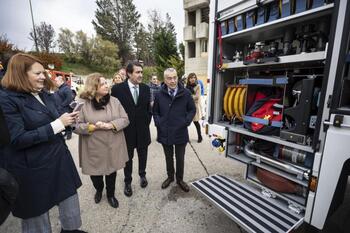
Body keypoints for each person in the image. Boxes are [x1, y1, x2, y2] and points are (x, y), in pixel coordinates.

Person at [0, 53, 85, 233]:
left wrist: (68, 121)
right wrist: (58, 124)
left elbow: (55, 118)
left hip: (59, 160)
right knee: (37, 219)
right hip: (32, 170)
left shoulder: (45, 94)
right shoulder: (6, 99)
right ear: (20, 74)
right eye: (37, 73)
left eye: (43, 72)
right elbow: (17, 139)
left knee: (70, 205)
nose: (43, 77)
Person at [74, 73, 129, 208]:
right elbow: (74, 125)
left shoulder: (115, 101)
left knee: (111, 172)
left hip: (112, 144)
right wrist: (90, 127)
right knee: (95, 174)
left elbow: (125, 119)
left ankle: (111, 194)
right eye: (103, 83)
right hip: (93, 147)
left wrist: (110, 125)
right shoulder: (82, 104)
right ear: (93, 86)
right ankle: (99, 189)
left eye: (107, 83)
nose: (107, 85)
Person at [111, 61, 152, 197]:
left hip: (143, 130)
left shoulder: (146, 88)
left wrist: (146, 122)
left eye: (141, 72)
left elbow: (148, 109)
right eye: (137, 72)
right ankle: (127, 181)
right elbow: (114, 110)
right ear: (129, 73)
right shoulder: (117, 89)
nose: (141, 75)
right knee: (127, 158)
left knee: (143, 155)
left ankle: (142, 175)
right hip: (126, 131)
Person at [153, 68, 196, 192]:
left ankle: (180, 179)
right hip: (164, 131)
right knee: (168, 157)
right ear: (164, 79)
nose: (173, 81)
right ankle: (170, 177)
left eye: (175, 77)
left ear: (178, 77)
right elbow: (155, 111)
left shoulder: (186, 93)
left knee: (180, 157)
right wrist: (158, 123)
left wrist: (186, 122)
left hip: (180, 131)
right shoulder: (159, 94)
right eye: (169, 78)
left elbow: (192, 110)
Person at [54, 75, 74, 139]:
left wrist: (62, 105)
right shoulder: (60, 88)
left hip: (65, 109)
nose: (55, 82)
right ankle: (66, 132)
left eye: (56, 81)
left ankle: (69, 134)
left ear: (61, 81)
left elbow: (69, 98)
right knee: (63, 122)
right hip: (60, 109)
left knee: (67, 121)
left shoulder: (66, 88)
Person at [186, 73, 203, 143]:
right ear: (189, 79)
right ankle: (186, 137)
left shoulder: (198, 86)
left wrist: (189, 96)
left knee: (196, 122)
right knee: (186, 123)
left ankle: (200, 136)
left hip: (195, 106)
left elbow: (197, 97)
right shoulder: (186, 87)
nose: (193, 79)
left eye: (194, 77)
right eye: (191, 78)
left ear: (196, 78)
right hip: (187, 107)